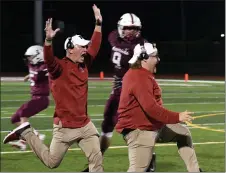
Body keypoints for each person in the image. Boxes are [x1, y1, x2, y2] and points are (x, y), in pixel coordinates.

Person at [3, 4, 103, 172]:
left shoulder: (84, 63)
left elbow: (95, 46)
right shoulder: (58, 68)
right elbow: (49, 59)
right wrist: (48, 41)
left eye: (86, 46)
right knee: (51, 162)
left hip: (85, 125)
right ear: (70, 49)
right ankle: (26, 132)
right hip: (64, 127)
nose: (86, 49)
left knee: (96, 158)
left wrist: (98, 23)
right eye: (82, 46)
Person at [82, 13, 156, 172]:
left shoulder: (143, 46)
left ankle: (149, 159)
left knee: (133, 128)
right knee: (107, 124)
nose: (130, 32)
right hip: (117, 91)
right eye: (128, 28)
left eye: (134, 29)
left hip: (133, 92)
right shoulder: (113, 37)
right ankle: (97, 162)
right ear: (120, 28)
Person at [115, 42, 203, 172]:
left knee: (183, 133)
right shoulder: (138, 77)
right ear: (145, 58)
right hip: (139, 130)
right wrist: (177, 116)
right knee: (138, 169)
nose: (158, 59)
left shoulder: (142, 74)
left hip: (152, 125)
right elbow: (151, 108)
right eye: (155, 56)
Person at [8, 45, 49, 151]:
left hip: (42, 99)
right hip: (34, 98)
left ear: (39, 56)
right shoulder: (32, 65)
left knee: (23, 113)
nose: (29, 59)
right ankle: (36, 135)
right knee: (15, 119)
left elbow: (48, 73)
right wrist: (28, 76)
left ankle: (23, 142)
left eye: (31, 56)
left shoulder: (45, 67)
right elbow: (33, 73)